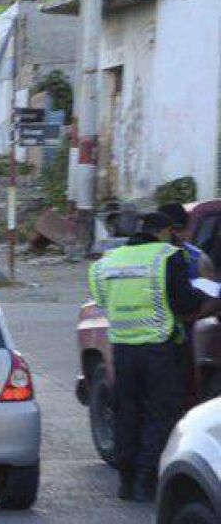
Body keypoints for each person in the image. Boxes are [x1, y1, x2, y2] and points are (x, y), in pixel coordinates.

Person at [88, 212, 221, 502]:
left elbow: (101, 300)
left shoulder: (106, 262)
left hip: (123, 350)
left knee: (127, 414)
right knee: (158, 416)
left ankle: (126, 482)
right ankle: (147, 483)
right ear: (164, 231)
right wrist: (207, 300)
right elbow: (183, 302)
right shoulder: (168, 257)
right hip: (160, 349)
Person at [158, 202, 213, 280]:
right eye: (172, 230)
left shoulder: (198, 258)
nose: (178, 235)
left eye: (181, 229)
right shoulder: (144, 255)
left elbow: (206, 287)